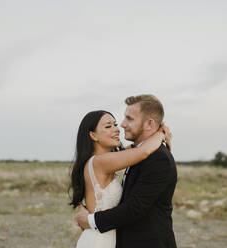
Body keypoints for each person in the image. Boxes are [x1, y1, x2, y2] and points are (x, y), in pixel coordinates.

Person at [74, 94, 177, 248]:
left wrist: (90, 220)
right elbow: (141, 152)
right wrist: (161, 133)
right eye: (109, 126)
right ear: (93, 135)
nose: (121, 126)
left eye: (129, 118)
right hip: (102, 239)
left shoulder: (154, 157)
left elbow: (135, 207)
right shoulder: (105, 160)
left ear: (149, 124)